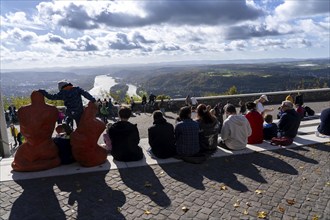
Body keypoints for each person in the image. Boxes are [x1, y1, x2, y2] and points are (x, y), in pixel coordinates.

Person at [12, 91, 61, 172]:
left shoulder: (22, 111)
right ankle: (47, 163)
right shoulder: (53, 110)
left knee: (18, 163)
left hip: (31, 149)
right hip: (48, 147)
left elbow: (23, 131)